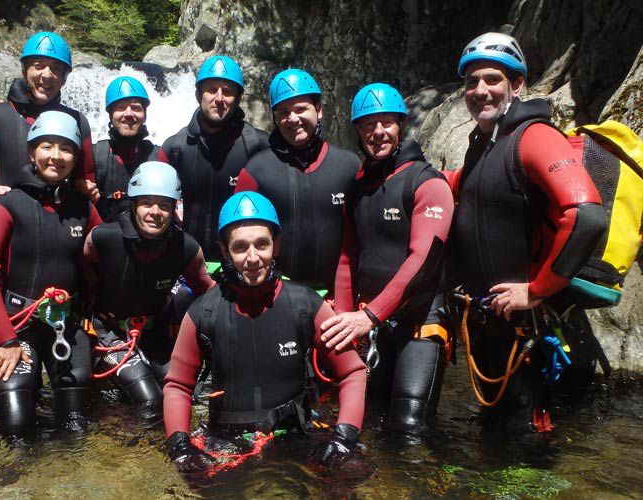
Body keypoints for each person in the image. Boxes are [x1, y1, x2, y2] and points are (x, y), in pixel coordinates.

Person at [445, 32, 607, 429]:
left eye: (492, 79)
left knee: (525, 447)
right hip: (489, 321)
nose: (480, 90)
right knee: (496, 434)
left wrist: (536, 290)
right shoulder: (483, 146)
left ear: (516, 85)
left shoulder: (535, 136)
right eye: (471, 82)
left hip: (527, 326)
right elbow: (471, 193)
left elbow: (586, 214)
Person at [163, 192, 367, 472]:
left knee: (352, 470)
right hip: (225, 441)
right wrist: (180, 445)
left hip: (295, 436)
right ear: (224, 251)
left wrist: (346, 435)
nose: (252, 258)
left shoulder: (305, 304)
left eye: (262, 244)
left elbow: (352, 372)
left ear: (276, 244)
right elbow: (178, 386)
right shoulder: (203, 312)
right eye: (240, 247)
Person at [320, 83, 455, 431]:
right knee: (366, 419)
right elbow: (349, 257)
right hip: (375, 325)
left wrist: (369, 316)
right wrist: (345, 321)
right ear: (357, 131)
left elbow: (423, 261)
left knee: (409, 426)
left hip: (420, 323)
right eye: (368, 124)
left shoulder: (427, 183)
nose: (378, 132)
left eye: (387, 123)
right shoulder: (359, 188)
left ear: (401, 127)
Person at [0, 111, 102, 438]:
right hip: (17, 324)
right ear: (32, 152)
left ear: (76, 158)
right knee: (17, 430)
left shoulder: (83, 208)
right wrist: (6, 340)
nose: (56, 156)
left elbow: (104, 259)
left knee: (76, 430)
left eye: (66, 149)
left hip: (66, 324)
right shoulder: (8, 203)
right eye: (47, 146)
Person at [84, 161, 215, 422]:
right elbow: (80, 285)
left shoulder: (186, 248)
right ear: (133, 205)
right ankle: (130, 451)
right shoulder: (102, 240)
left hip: (154, 332)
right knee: (150, 400)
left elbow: (209, 292)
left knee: (178, 389)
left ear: (173, 209)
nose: (155, 212)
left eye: (164, 205)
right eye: (146, 203)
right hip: (109, 333)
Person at [235, 69, 360, 294]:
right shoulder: (256, 171)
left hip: (338, 295)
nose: (292, 119)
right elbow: (238, 238)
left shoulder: (349, 166)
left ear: (319, 110)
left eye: (301, 109)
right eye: (283, 112)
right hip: (276, 296)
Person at [0, 31, 96, 214]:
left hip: (62, 230)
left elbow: (86, 180)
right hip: (8, 230)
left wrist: (88, 191)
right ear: (25, 70)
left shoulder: (78, 121)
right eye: (38, 65)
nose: (47, 75)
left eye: (56, 68)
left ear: (65, 78)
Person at [161, 55, 269, 263]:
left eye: (227, 91)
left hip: (245, 266)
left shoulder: (259, 147)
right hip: (186, 262)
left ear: (237, 99)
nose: (219, 98)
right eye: (211, 89)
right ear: (198, 94)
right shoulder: (175, 148)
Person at [94, 76, 163, 222]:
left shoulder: (160, 158)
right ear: (111, 114)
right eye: (121, 107)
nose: (129, 114)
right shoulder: (95, 157)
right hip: (105, 242)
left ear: (144, 115)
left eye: (136, 108)